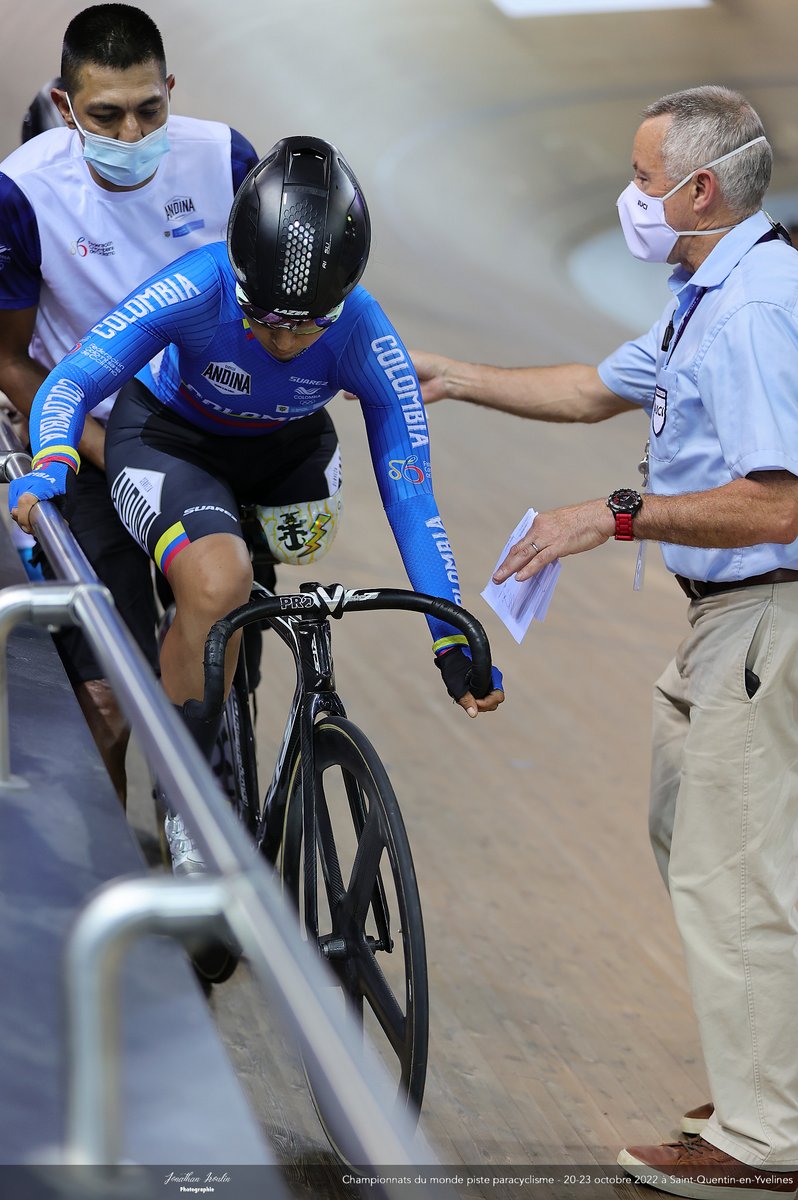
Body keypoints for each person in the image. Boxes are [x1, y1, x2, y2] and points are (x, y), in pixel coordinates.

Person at [414, 86, 798, 1196]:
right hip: (725, 622)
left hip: (766, 614)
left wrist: (616, 515)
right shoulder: (704, 294)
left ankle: (768, 1141)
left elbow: (779, 502)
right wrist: (452, 378)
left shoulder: (757, 309)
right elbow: (594, 389)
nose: (629, 197)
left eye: (642, 179)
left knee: (737, 873)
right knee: (698, 838)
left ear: (700, 190)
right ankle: (772, 1083)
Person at [8, 134, 505, 874]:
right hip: (170, 441)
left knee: (262, 586)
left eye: (308, 325)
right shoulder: (197, 283)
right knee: (220, 583)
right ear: (237, 277)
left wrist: (449, 635)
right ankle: (187, 796)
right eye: (263, 318)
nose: (284, 339)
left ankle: (207, 656)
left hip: (282, 454)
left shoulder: (367, 332)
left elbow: (412, 497)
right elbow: (73, 380)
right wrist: (52, 461)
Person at [0, 4, 258, 805]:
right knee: (106, 697)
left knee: (222, 665)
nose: (132, 130)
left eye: (149, 108)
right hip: (89, 440)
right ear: (65, 104)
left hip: (207, 436)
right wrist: (106, 451)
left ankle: (197, 824)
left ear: (171, 88)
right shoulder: (22, 192)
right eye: (106, 115)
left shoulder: (226, 159)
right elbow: (9, 359)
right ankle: (116, 861)